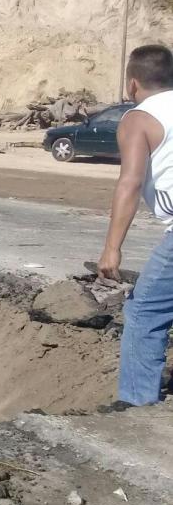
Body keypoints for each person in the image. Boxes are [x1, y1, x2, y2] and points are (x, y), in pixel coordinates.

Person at [98, 44, 173, 408]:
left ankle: (135, 405)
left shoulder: (138, 118)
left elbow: (129, 181)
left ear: (132, 84)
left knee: (145, 310)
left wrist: (112, 248)